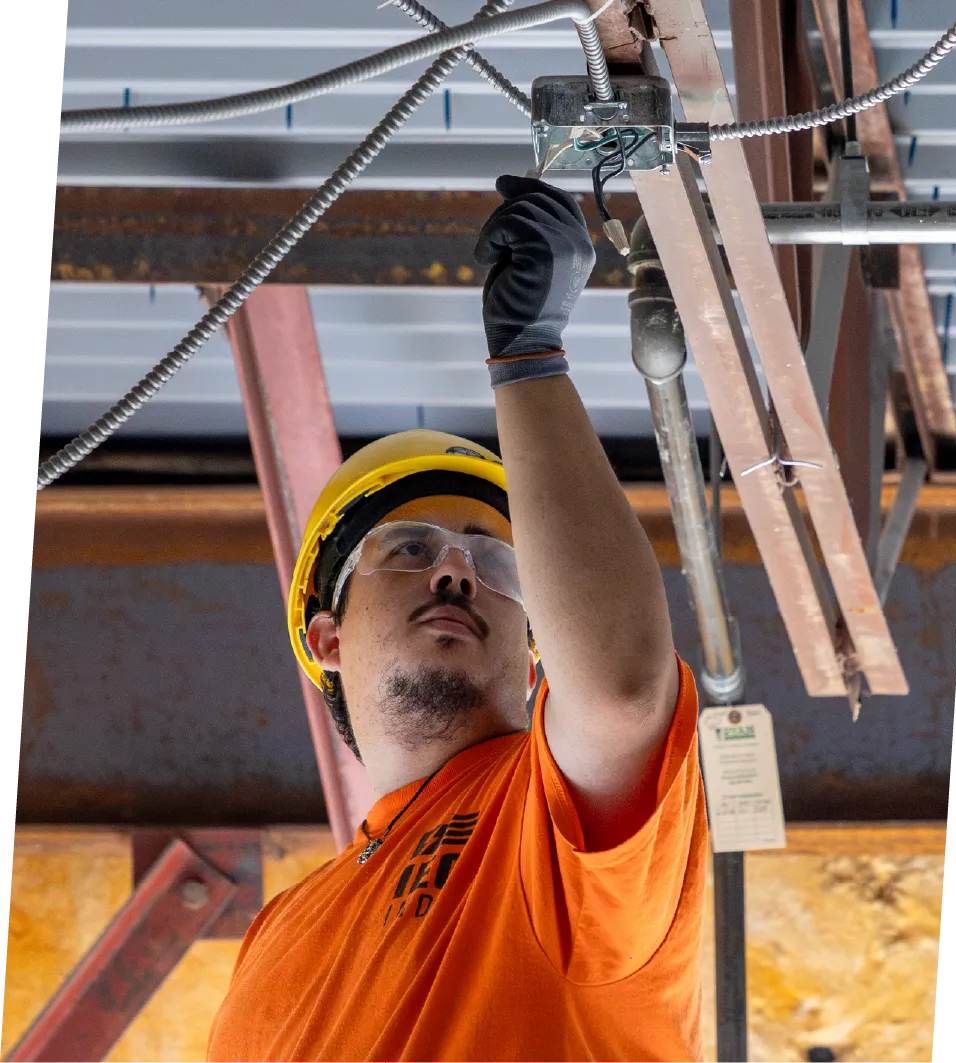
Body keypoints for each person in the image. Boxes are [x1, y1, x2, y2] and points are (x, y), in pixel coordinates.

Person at [207, 176, 708, 1062]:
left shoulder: (546, 824)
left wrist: (527, 356)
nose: (455, 568)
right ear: (326, 636)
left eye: (493, 558)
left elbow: (623, 695)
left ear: (538, 642)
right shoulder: (275, 939)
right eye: (409, 548)